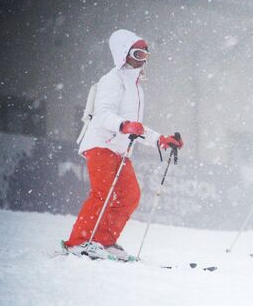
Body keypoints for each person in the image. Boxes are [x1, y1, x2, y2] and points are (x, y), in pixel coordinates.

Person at [63, 29, 183, 261]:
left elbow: (135, 127)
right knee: (102, 193)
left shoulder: (137, 87)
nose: (143, 59)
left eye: (146, 54)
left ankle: (104, 241)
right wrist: (123, 124)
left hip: (119, 149)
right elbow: (103, 115)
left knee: (130, 195)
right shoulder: (112, 79)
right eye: (138, 53)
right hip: (101, 143)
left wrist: (160, 139)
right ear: (123, 54)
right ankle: (78, 242)